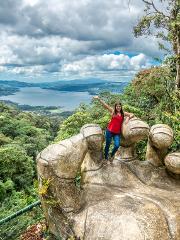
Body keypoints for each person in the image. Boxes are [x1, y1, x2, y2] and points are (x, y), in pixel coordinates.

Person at [93, 96, 134, 163]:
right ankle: (106, 158)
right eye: (117, 106)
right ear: (115, 107)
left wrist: (127, 118)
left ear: (121, 107)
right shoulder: (113, 112)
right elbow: (105, 106)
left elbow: (132, 114)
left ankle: (111, 155)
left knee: (117, 145)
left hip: (117, 133)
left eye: (119, 106)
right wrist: (99, 99)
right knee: (107, 145)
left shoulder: (123, 113)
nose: (118, 107)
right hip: (109, 131)